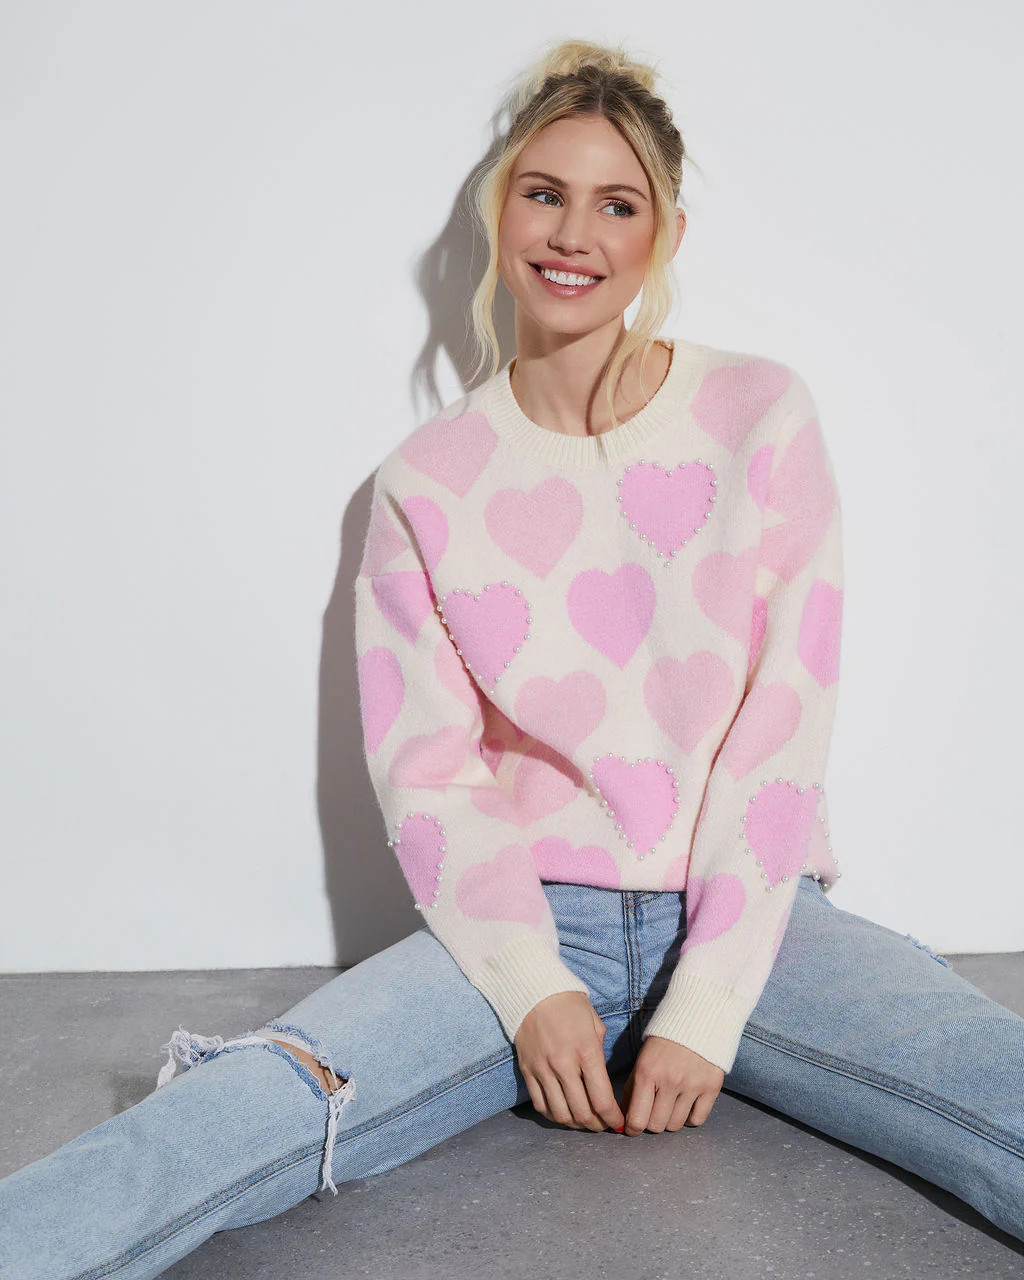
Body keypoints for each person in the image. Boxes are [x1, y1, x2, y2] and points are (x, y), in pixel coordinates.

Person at [1, 37, 1022, 1280]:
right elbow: (427, 769)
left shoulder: (757, 415)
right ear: (501, 210)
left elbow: (783, 719)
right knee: (239, 1112)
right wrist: (531, 983)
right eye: (545, 193)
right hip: (524, 919)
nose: (573, 233)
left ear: (668, 235)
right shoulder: (424, 483)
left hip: (752, 915)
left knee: (994, 1077)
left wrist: (707, 1000)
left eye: (617, 204)